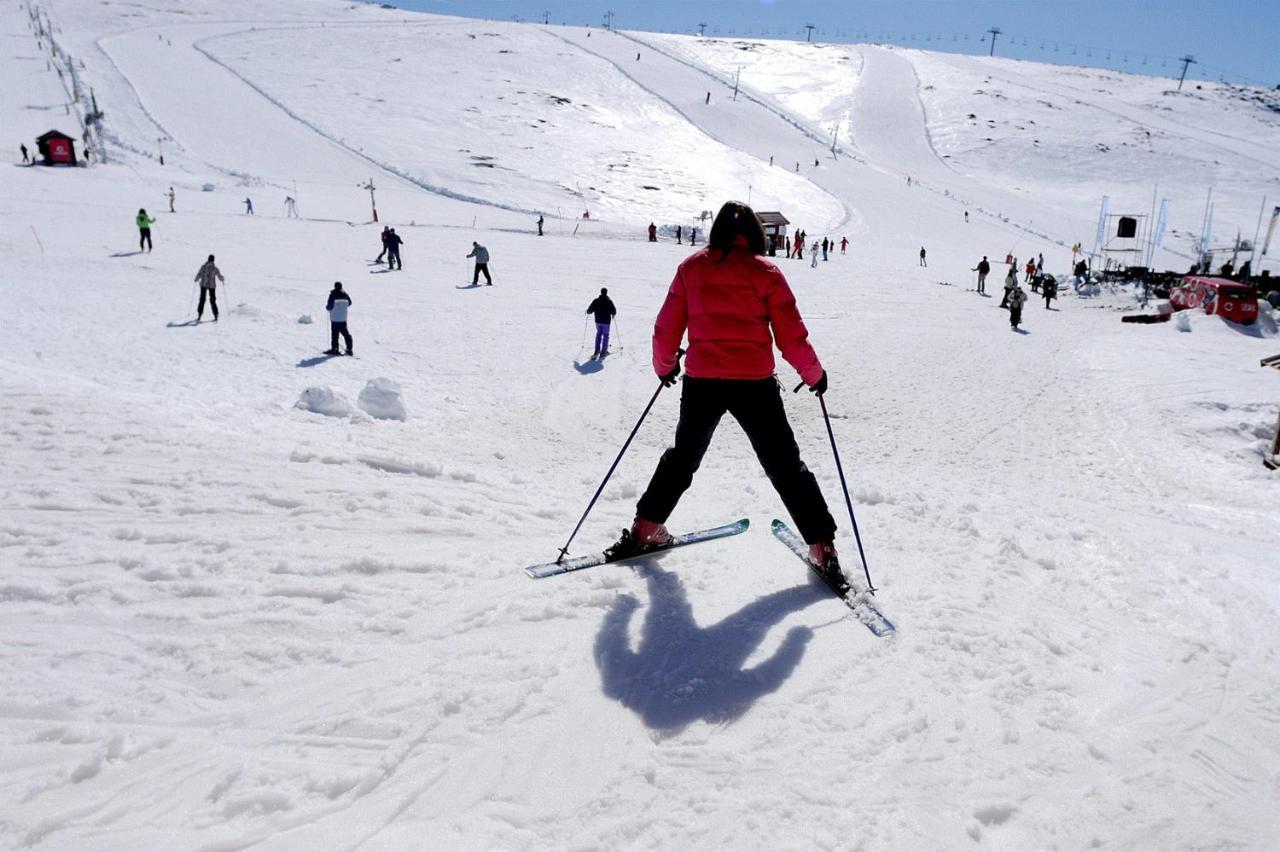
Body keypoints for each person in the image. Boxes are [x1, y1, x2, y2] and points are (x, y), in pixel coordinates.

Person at [606, 200, 845, 589]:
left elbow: (666, 327)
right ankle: (822, 546)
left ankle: (646, 527)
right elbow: (791, 335)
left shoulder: (691, 269)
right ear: (754, 233)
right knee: (785, 466)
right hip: (755, 384)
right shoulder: (766, 273)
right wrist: (814, 374)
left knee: (683, 457)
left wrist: (665, 366)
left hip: (703, 382)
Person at [585, 287, 617, 359]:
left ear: (601, 292)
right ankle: (604, 352)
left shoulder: (596, 301)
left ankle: (597, 351)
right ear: (606, 293)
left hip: (598, 321)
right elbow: (614, 311)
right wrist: (613, 314)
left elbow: (590, 310)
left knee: (599, 334)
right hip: (606, 322)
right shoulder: (609, 302)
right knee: (605, 335)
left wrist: (588, 311)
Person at [325, 282, 353, 356]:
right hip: (343, 318)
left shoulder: (333, 294)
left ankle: (335, 349)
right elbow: (350, 303)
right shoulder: (345, 294)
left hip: (334, 318)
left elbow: (329, 307)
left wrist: (327, 308)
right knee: (346, 334)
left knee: (335, 335)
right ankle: (349, 349)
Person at [194, 254, 223, 322]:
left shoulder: (203, 267)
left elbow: (199, 273)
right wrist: (222, 279)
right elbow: (219, 276)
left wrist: (196, 279)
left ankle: (199, 314)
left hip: (203, 285)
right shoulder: (215, 268)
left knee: (202, 300)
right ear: (213, 260)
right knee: (212, 300)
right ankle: (216, 314)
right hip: (212, 286)